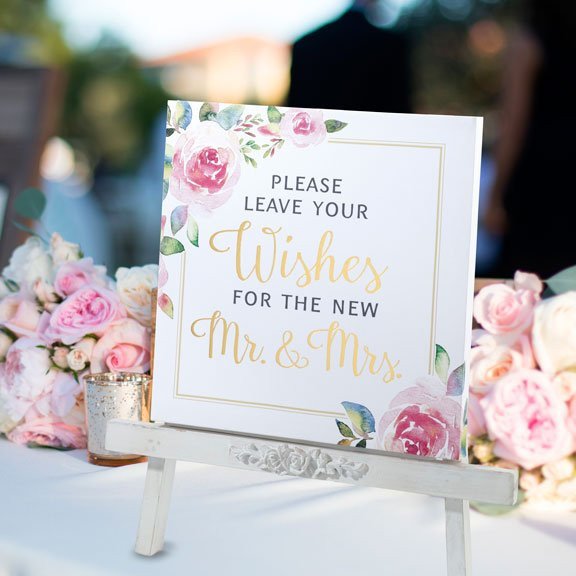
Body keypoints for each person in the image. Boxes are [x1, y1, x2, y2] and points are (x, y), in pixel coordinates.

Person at [484, 1, 576, 279]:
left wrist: (495, 195)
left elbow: (513, 124)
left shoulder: (527, 44)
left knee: (530, 289)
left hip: (539, 183)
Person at [287, 0, 412, 114]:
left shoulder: (305, 44)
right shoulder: (391, 46)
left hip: (321, 137)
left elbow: (295, 107)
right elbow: (399, 107)